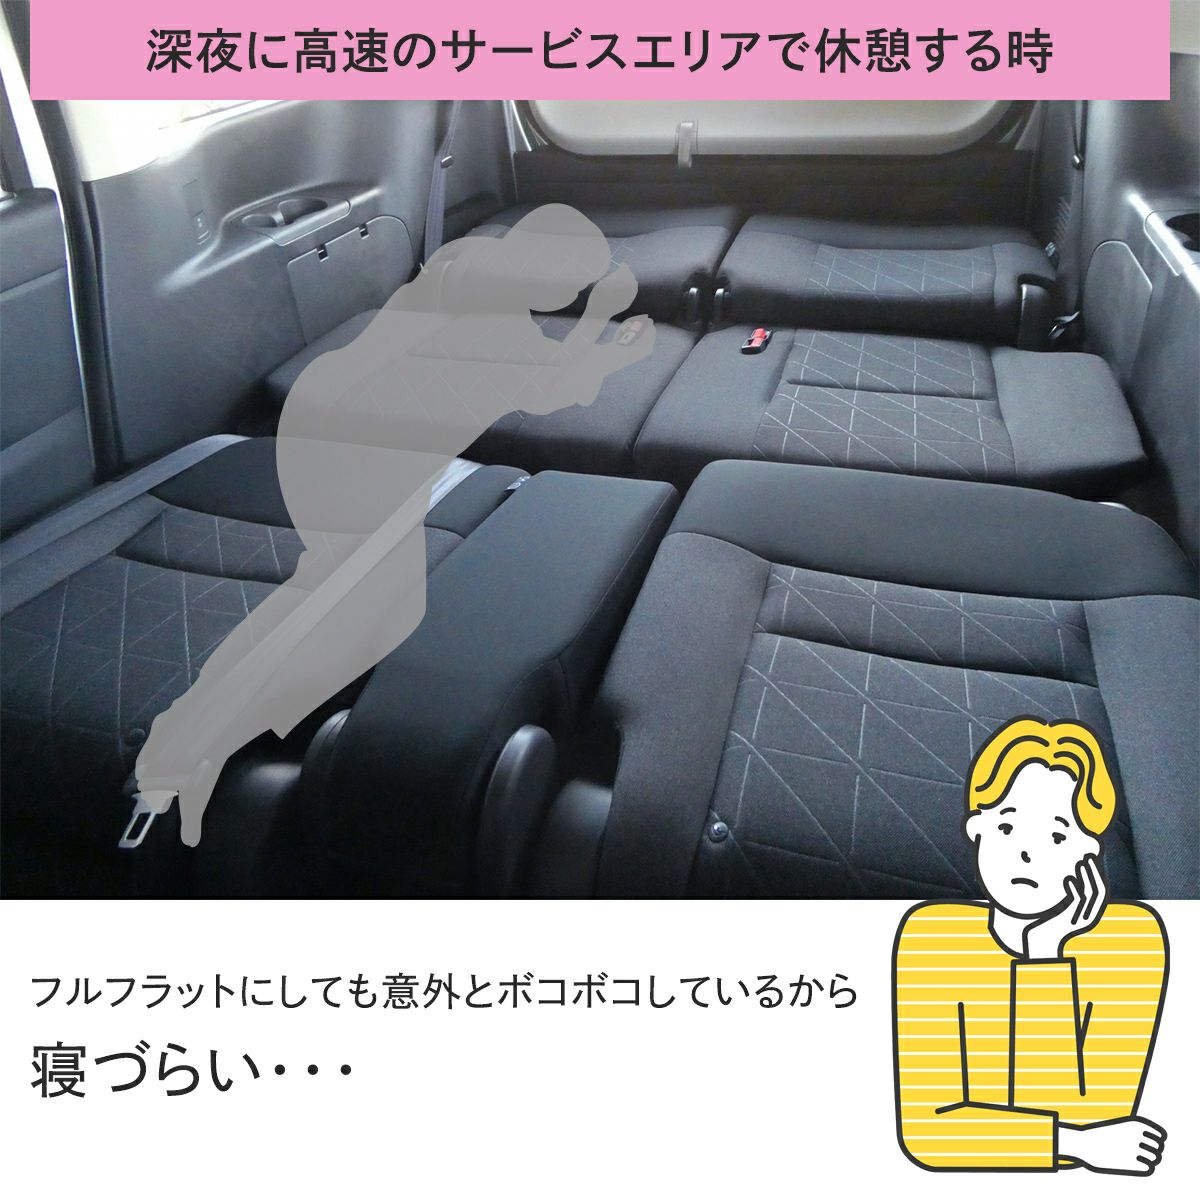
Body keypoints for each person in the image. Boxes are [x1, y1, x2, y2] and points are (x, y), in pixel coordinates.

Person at [131, 204, 656, 847]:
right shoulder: (496, 316)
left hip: (326, 426)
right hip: (350, 456)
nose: (571, 292)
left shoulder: (464, 267)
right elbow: (557, 389)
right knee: (356, 602)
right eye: (570, 281)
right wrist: (608, 329)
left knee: (334, 595)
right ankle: (196, 753)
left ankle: (199, 742)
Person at [893, 717, 1168, 1174]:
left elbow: (1084, 1119)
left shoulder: (1132, 942)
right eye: (1007, 828)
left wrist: (1044, 955)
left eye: (1057, 836)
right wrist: (1078, 1144)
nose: (1026, 852)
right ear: (976, 829)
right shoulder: (932, 935)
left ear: (1089, 852)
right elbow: (927, 1131)